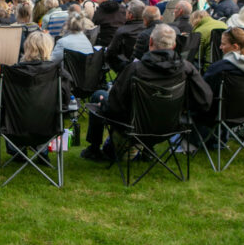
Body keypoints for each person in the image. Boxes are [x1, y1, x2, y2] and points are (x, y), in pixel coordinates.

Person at [81, 24, 211, 162]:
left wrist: (104, 105)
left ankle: (94, 149)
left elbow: (116, 105)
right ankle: (146, 149)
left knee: (99, 95)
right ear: (173, 46)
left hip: (136, 126)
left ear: (150, 42)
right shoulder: (186, 68)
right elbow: (204, 99)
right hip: (171, 126)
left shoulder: (136, 69)